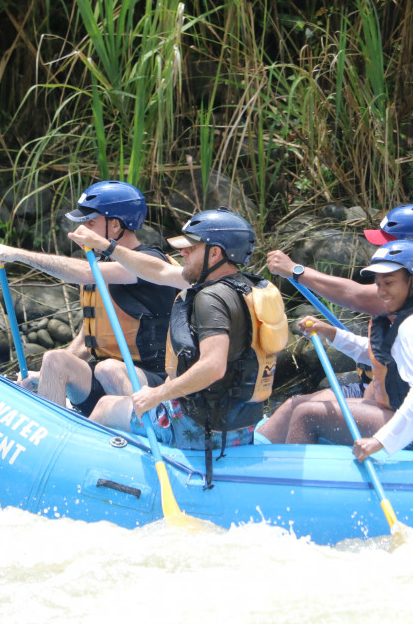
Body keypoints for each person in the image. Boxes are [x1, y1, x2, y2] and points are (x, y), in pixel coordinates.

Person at [106, 207, 288, 484]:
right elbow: (159, 270)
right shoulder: (248, 289)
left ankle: (117, 479)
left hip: (198, 426)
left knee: (106, 407)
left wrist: (157, 395)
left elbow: (213, 367)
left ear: (215, 254)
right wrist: (107, 247)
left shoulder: (210, 298)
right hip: (240, 425)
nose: (183, 253)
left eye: (191, 248)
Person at [257, 240, 413, 461]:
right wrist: (332, 333)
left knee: (307, 414)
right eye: (378, 283)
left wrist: (381, 440)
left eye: (389, 283)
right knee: (302, 405)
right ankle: (258, 454)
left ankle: (289, 484)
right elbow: (379, 353)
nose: (381, 292)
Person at [0, 180, 181, 417]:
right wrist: (45, 375)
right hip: (102, 375)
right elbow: (87, 338)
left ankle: (148, 426)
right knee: (55, 358)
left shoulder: (145, 263)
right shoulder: (103, 265)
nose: (81, 231)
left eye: (90, 222)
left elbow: (85, 272)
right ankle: (48, 435)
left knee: (109, 369)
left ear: (115, 225)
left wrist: (17, 254)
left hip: (151, 382)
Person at [266, 204, 413, 404]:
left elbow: (357, 296)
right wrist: (331, 333)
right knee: (295, 405)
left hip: (410, 402)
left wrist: (296, 271)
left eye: (387, 244)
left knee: (300, 407)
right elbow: (375, 351)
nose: (378, 252)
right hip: (392, 390)